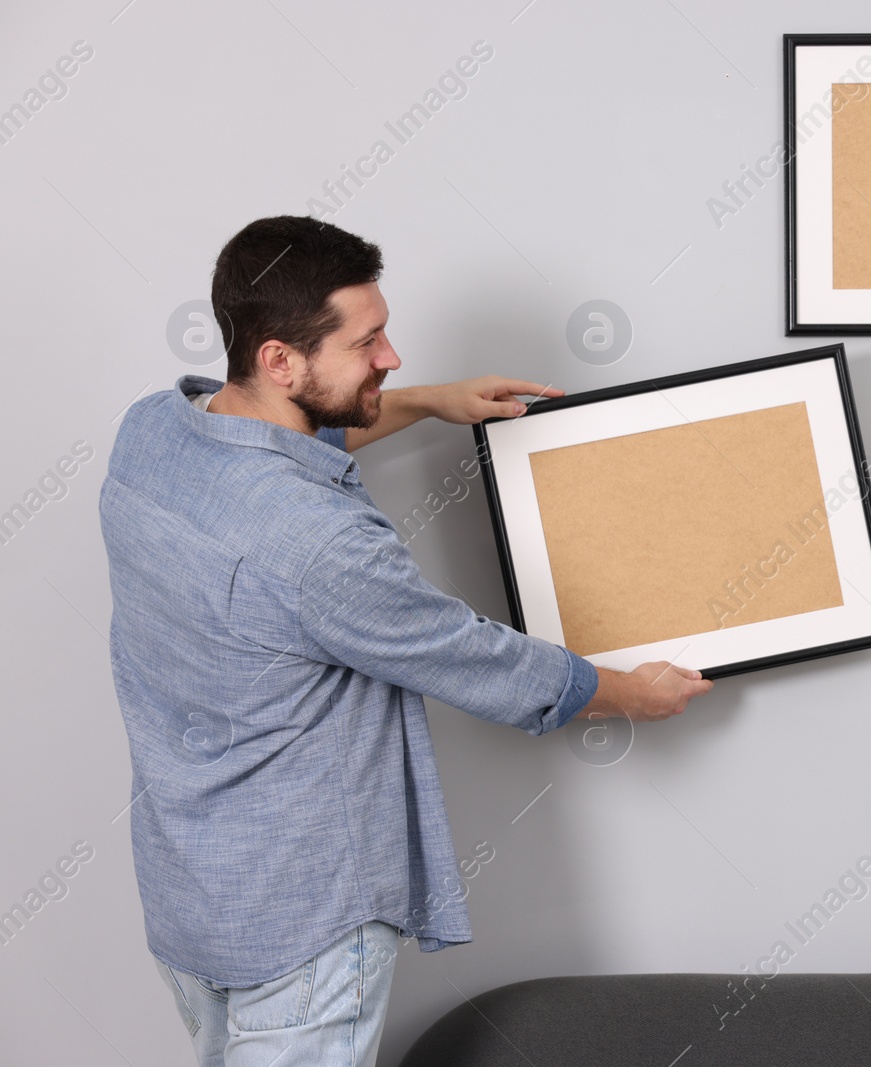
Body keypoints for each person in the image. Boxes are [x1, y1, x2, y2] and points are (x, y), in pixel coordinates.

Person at [98, 215, 714, 1067]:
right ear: (280, 358)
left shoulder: (153, 435)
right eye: (370, 342)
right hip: (305, 921)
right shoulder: (320, 546)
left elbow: (280, 443)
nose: (392, 357)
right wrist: (630, 693)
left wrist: (429, 404)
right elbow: (476, 657)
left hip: (193, 896)